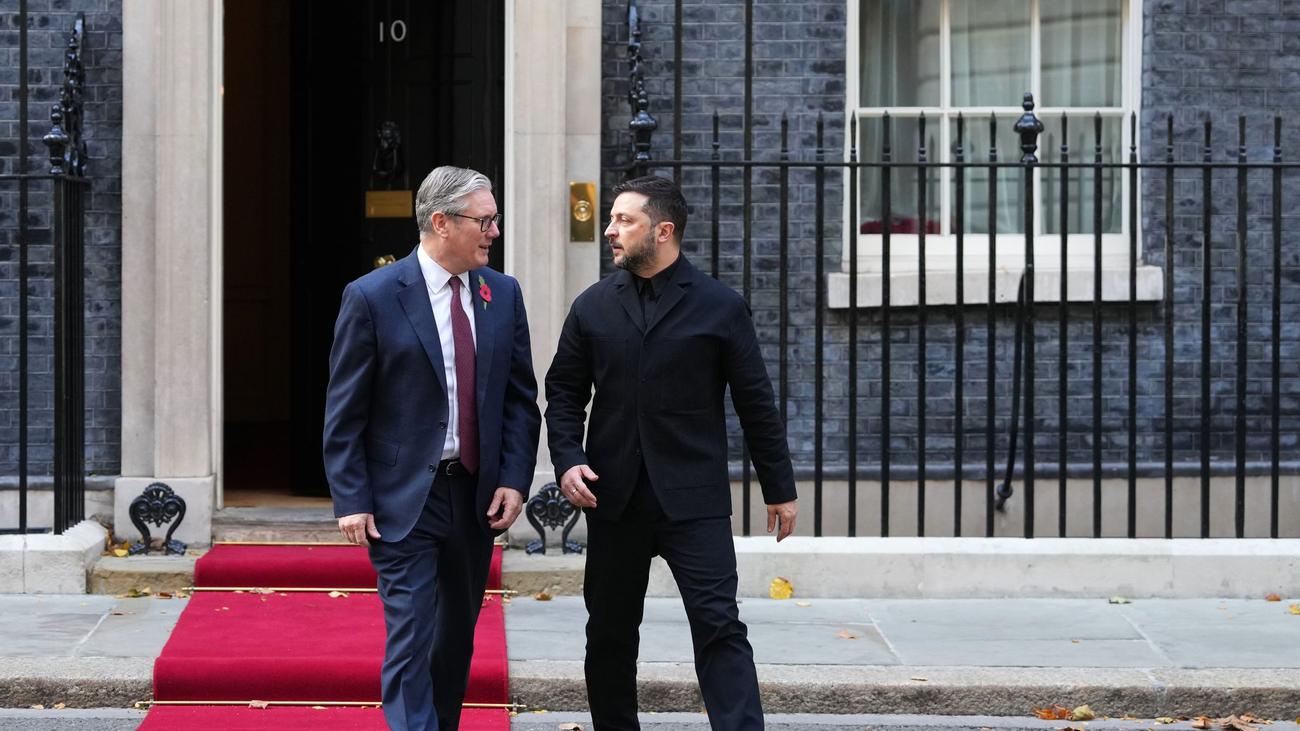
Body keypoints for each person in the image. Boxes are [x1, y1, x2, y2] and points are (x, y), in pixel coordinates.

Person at [545, 175, 798, 730]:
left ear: (663, 231)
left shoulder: (720, 306)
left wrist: (779, 488)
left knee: (719, 627)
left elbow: (755, 401)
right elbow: (563, 394)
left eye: (624, 220)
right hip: (613, 498)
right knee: (609, 633)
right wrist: (566, 459)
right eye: (611, 219)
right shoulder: (592, 306)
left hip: (694, 499)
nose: (610, 230)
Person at [323, 165, 541, 731]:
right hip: (403, 497)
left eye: (495, 219)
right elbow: (345, 410)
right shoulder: (372, 296)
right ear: (441, 222)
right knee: (412, 633)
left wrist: (514, 478)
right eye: (484, 221)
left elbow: (520, 399)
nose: (494, 231)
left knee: (454, 639)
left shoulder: (502, 294)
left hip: (474, 496)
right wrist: (352, 497)